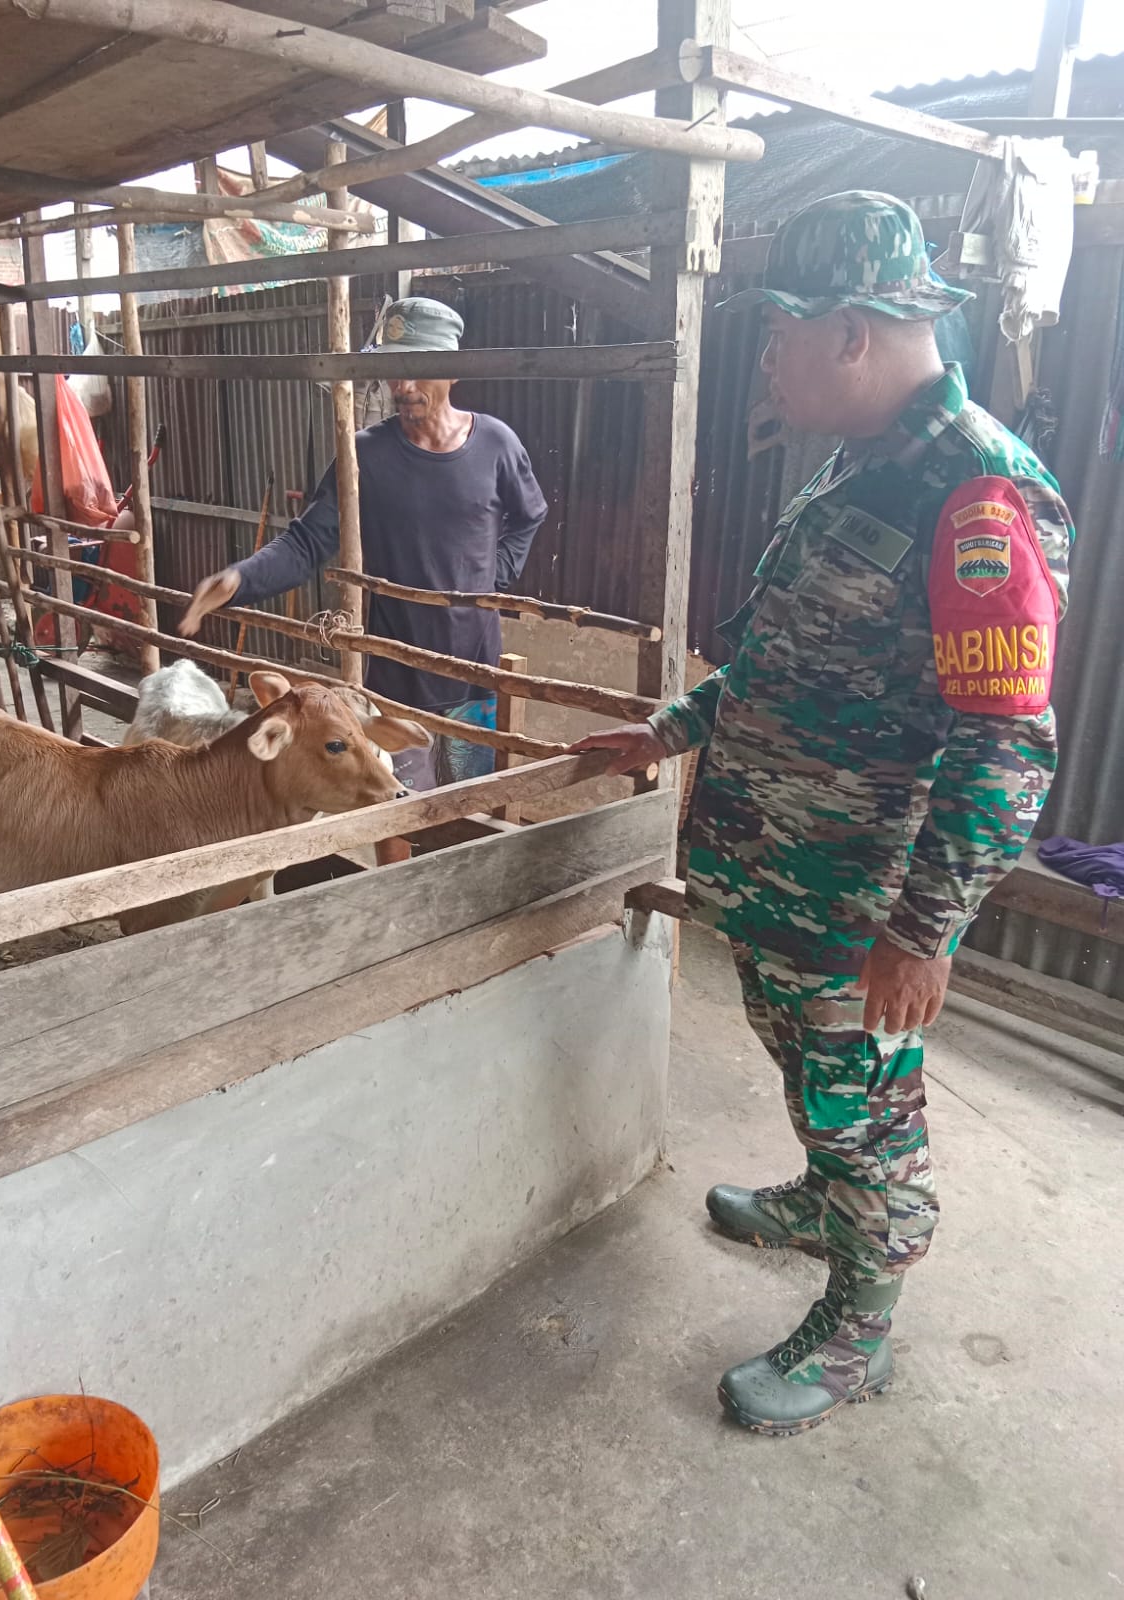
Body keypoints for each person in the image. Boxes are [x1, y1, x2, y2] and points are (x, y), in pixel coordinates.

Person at [572, 192, 1073, 1437]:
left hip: (861, 899)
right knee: (814, 1077)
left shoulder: (978, 496)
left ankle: (862, 1321)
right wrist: (672, 728)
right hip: (784, 874)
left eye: (781, 338)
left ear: (851, 332)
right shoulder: (865, 462)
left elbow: (1007, 742)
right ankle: (818, 1197)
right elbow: (789, 661)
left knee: (866, 1100)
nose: (772, 367)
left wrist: (926, 928)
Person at [180, 296, 549, 859]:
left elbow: (530, 515)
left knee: (468, 808)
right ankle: (399, 911)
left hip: (476, 671)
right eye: (393, 371)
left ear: (452, 368)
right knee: (394, 806)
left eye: (416, 370)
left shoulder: (496, 444)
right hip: (395, 679)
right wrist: (239, 579)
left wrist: (495, 576)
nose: (402, 387)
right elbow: (307, 542)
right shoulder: (365, 456)